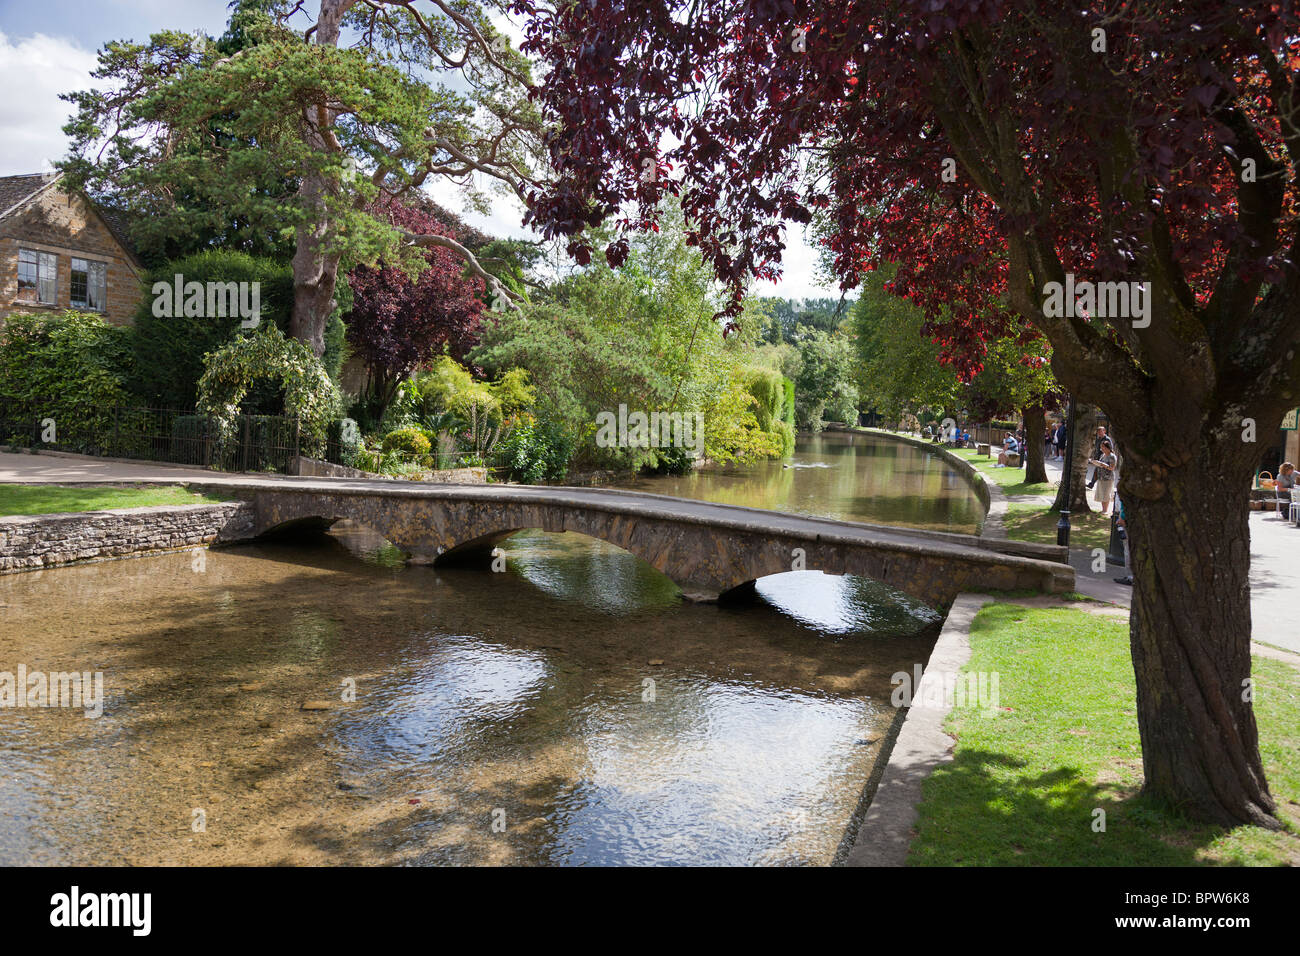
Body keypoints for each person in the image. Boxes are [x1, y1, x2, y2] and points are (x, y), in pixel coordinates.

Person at [1089, 438, 1118, 513]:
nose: (1102, 449)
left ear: (1108, 447)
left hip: (1108, 478)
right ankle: (1103, 509)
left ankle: (1105, 510)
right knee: (1102, 493)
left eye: (1103, 447)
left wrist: (1103, 465)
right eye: (1101, 447)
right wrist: (1095, 462)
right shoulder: (1102, 455)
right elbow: (1100, 464)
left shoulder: (1112, 456)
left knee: (1106, 494)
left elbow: (1112, 467)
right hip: (1101, 477)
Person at [1113, 493, 1133, 586]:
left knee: (1128, 550)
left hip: (1126, 521)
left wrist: (1121, 518)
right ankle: (1131, 575)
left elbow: (1124, 505)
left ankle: (1130, 577)